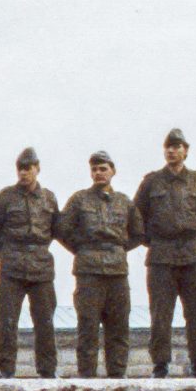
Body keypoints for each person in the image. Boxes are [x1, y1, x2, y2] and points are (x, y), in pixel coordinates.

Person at [135, 127, 196, 376]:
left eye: (177, 146)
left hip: (192, 254)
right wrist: (157, 241)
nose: (172, 151)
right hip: (161, 255)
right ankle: (160, 364)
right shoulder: (151, 182)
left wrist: (188, 234)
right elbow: (138, 217)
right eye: (168, 147)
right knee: (161, 314)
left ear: (186, 151)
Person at [57, 149, 137, 378]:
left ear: (113, 171)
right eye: (94, 169)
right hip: (89, 272)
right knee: (88, 327)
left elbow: (138, 233)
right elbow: (62, 230)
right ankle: (87, 379)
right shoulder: (79, 200)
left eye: (103, 169)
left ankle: (117, 377)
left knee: (119, 328)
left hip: (117, 273)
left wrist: (117, 249)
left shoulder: (124, 202)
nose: (99, 173)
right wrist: (82, 249)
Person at [0, 148, 58, 377]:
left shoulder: (49, 198)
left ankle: (47, 370)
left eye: (28, 168)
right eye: (20, 169)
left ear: (37, 168)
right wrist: (7, 255)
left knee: (45, 322)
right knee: (7, 321)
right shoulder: (5, 197)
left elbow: (55, 229)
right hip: (12, 268)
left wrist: (36, 251)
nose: (24, 173)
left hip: (41, 269)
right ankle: (6, 369)